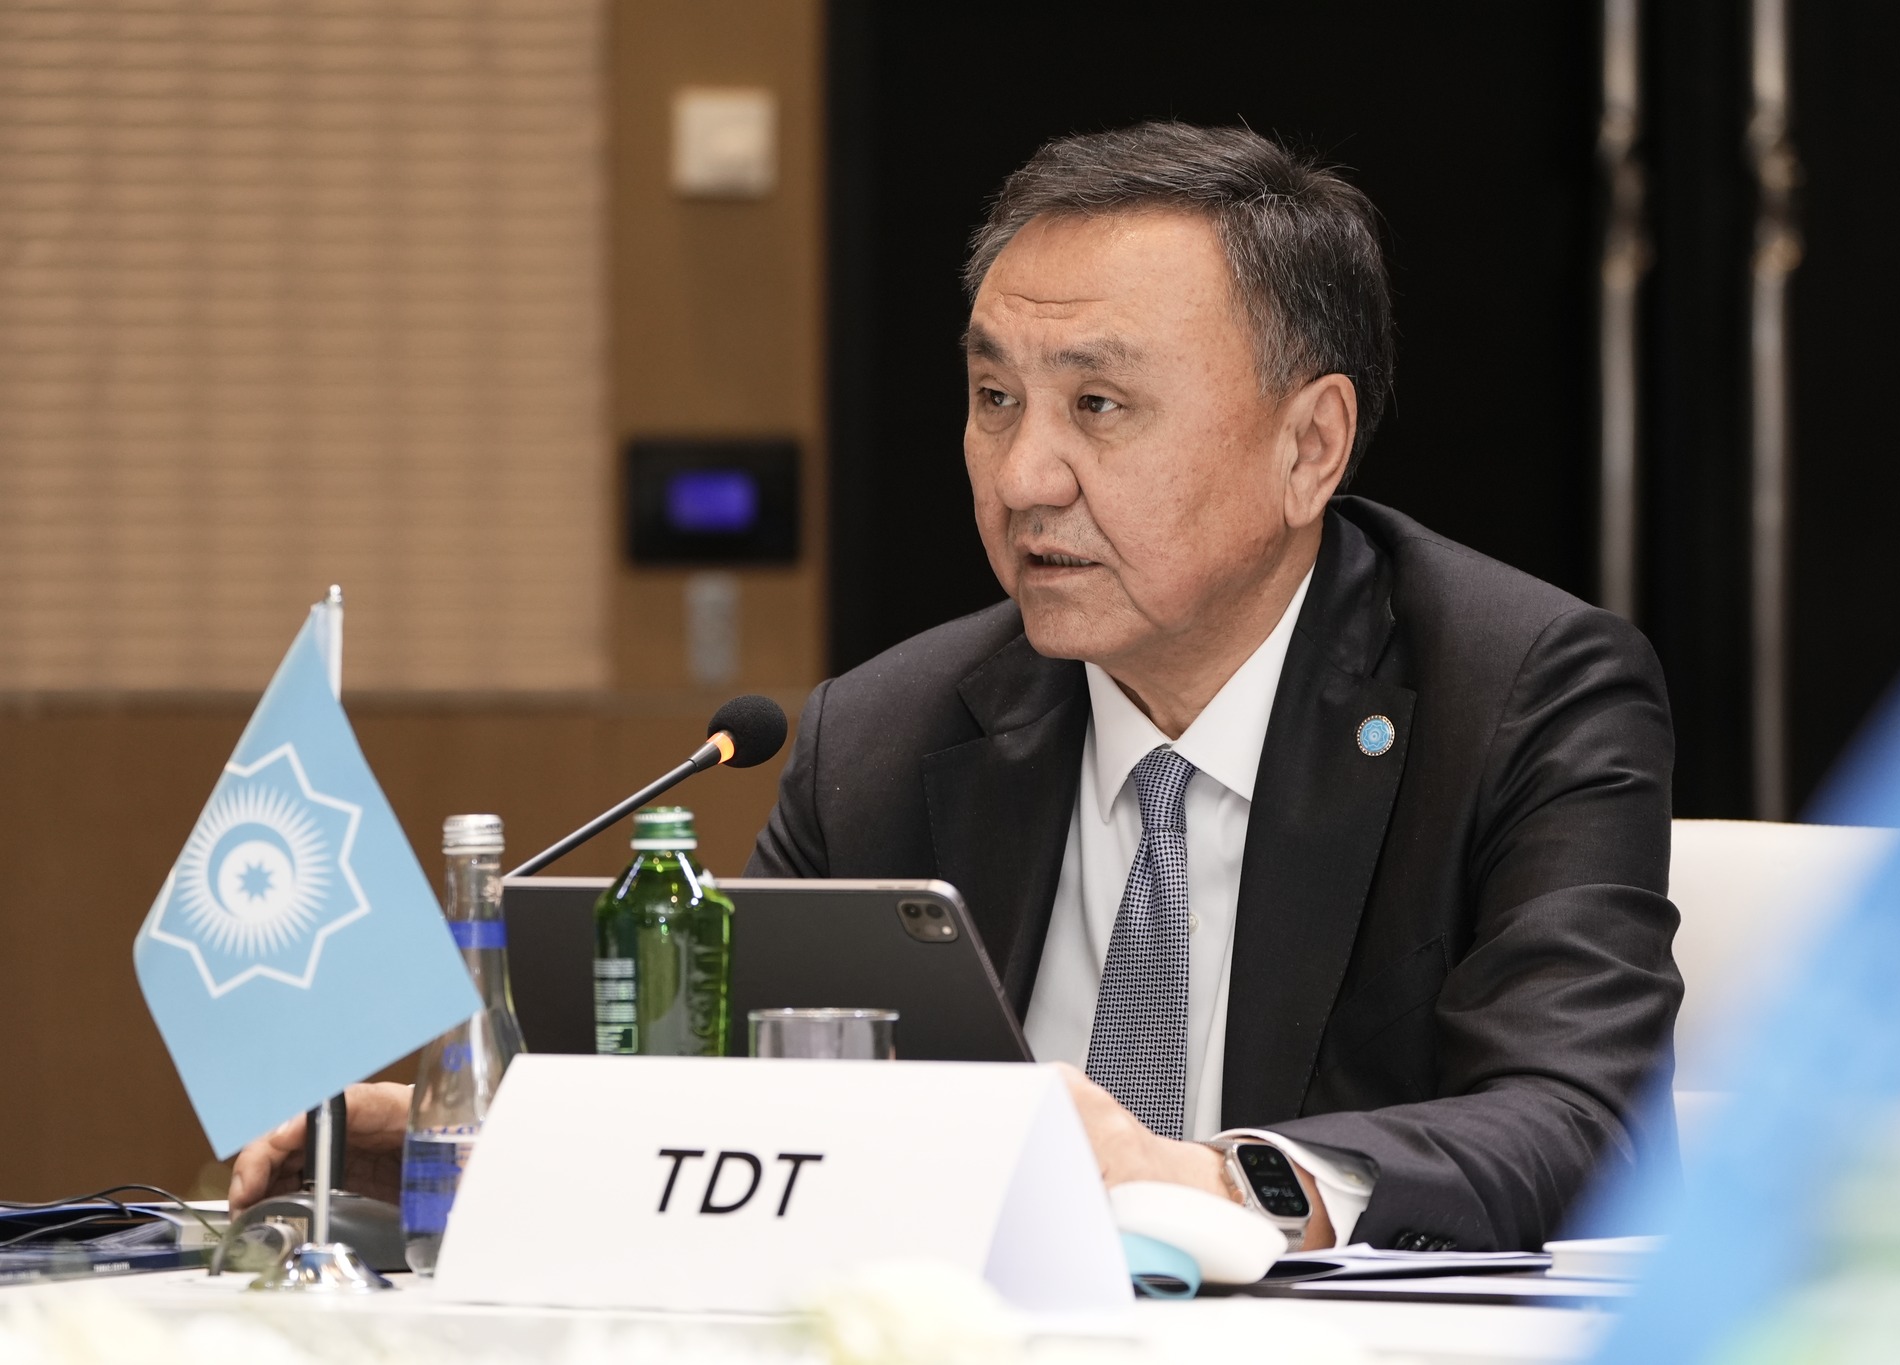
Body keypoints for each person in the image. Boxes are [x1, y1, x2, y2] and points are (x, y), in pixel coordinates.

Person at [231, 122, 1679, 1255]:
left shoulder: (1520, 694)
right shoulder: (879, 735)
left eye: (1098, 405)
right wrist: (479, 1128)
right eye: (995, 399)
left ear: (1310, 447)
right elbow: (738, 1112)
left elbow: (1579, 1124)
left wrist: (1205, 1183)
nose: (1024, 474)